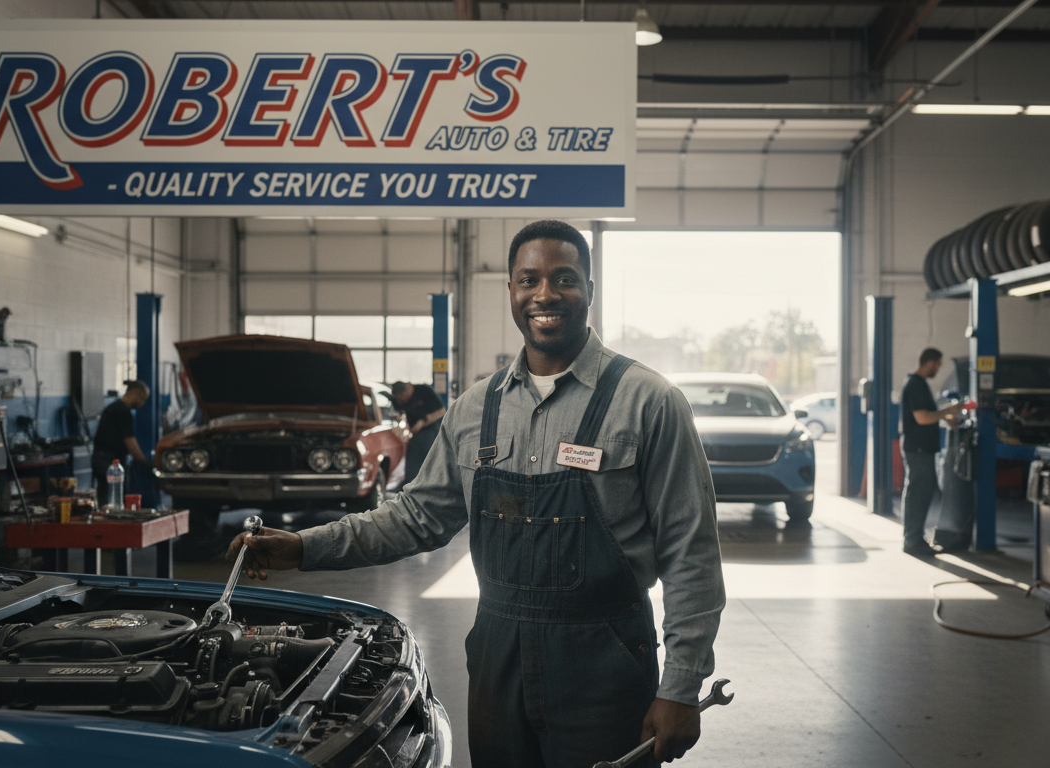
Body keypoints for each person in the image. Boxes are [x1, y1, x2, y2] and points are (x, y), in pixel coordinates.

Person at [227, 220, 725, 768]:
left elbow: (691, 552)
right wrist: (302, 547)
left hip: (605, 668)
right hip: (496, 663)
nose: (545, 294)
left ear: (589, 290)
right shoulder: (474, 409)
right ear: (511, 290)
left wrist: (680, 686)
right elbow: (416, 517)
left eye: (564, 279)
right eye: (528, 279)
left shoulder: (649, 402)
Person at [899, 348, 964, 557]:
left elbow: (928, 414)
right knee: (919, 494)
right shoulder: (916, 385)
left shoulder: (917, 384)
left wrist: (944, 417)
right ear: (928, 362)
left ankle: (913, 538)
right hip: (918, 449)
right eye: (937, 364)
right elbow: (922, 418)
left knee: (918, 492)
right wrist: (949, 410)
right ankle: (913, 540)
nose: (937, 368)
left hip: (920, 448)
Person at [92, 379, 153, 494]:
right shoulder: (122, 412)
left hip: (102, 460)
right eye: (142, 398)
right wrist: (144, 462)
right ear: (134, 393)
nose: (142, 403)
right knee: (114, 497)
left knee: (107, 496)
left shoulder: (114, 407)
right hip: (108, 462)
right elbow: (130, 441)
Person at [389, 380, 446, 484]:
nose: (400, 401)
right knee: (412, 452)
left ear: (407, 391)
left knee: (425, 448)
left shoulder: (424, 391)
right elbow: (398, 413)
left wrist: (423, 421)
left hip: (432, 427)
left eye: (401, 398)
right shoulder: (398, 400)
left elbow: (442, 411)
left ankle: (430, 483)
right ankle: (412, 484)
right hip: (415, 431)